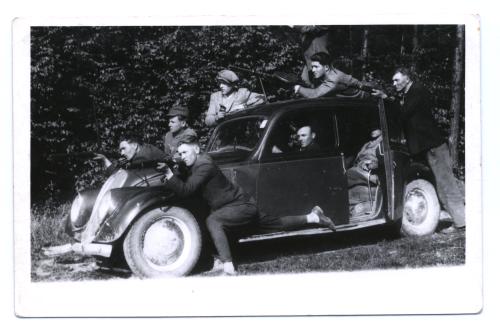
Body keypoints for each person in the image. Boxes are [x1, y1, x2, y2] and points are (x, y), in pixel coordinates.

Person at [161, 135, 336, 275]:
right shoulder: (198, 163)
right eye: (180, 154)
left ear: (197, 150)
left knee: (214, 221)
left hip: (240, 206)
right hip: (239, 206)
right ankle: (313, 217)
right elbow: (187, 176)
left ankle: (228, 265)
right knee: (277, 224)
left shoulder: (204, 165)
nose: (182, 157)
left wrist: (169, 175)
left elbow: (187, 189)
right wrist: (175, 166)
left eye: (184, 153)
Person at [372, 68, 465, 233]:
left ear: (407, 78)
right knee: (441, 183)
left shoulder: (418, 90)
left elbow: (403, 113)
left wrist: (387, 99)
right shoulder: (409, 94)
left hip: (433, 146)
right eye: (393, 81)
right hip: (425, 147)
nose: (394, 84)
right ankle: (459, 220)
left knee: (445, 183)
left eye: (397, 80)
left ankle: (462, 221)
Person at [293, 52, 366, 99]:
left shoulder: (333, 79)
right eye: (312, 67)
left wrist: (297, 88)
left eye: (316, 67)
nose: (313, 70)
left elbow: (315, 94)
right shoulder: (326, 74)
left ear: (326, 67)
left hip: (366, 99)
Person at [94, 136, 166, 174]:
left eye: (124, 148)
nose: (122, 153)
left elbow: (119, 176)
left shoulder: (143, 156)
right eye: (121, 150)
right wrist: (104, 158)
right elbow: (116, 172)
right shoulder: (142, 149)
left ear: (134, 145)